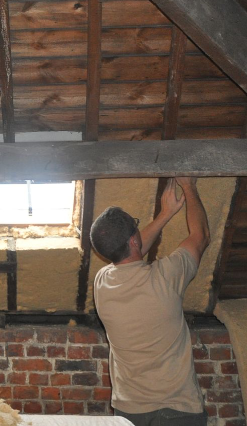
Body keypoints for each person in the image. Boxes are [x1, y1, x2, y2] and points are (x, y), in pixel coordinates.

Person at [90, 177, 210, 426]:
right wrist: (189, 187)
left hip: (129, 410)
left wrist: (166, 214)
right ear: (133, 240)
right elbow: (201, 236)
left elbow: (131, 250)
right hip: (179, 407)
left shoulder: (102, 283)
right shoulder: (166, 276)